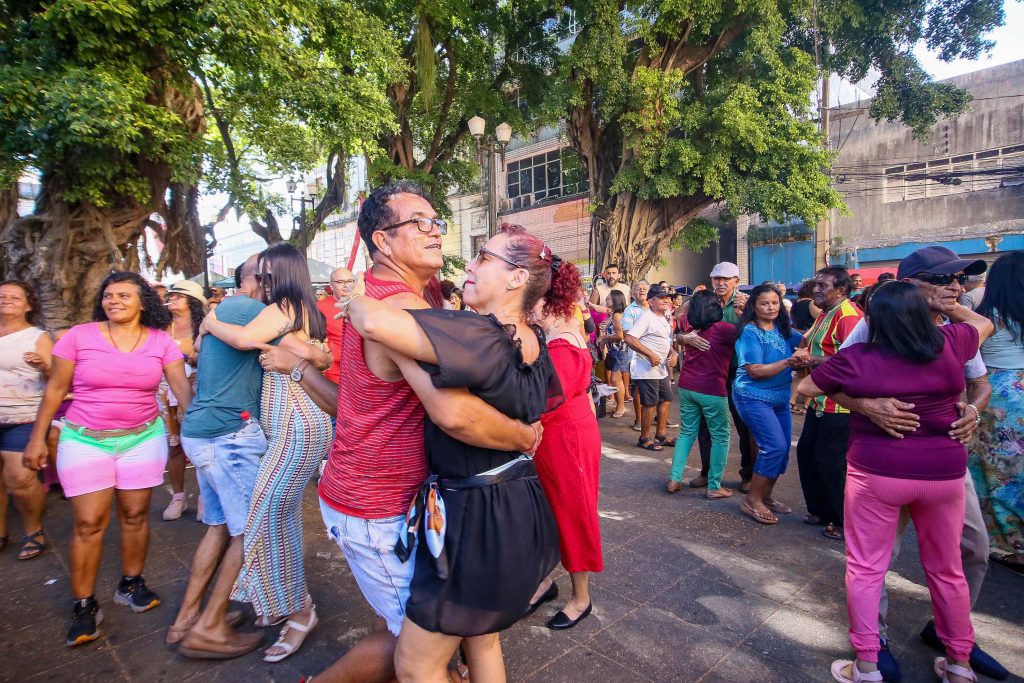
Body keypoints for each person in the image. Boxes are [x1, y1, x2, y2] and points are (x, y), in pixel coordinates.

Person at [258, 180, 538, 683]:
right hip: (380, 507)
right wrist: (524, 439)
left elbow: (356, 409)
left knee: (400, 634)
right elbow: (454, 415)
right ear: (383, 241)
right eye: (420, 223)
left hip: (373, 498)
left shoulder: (397, 299)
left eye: (437, 222)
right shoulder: (400, 310)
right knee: (423, 659)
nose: (435, 232)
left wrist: (301, 371)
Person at [339, 223, 562, 681]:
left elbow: (375, 323)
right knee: (483, 642)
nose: (471, 265)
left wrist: (356, 296)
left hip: (476, 519)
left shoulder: (477, 332)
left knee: (416, 666)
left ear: (517, 278)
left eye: (484, 257)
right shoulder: (533, 339)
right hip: (517, 506)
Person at [798, 282, 994, 683]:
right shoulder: (952, 342)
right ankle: (959, 664)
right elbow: (982, 322)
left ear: (872, 320)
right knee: (948, 570)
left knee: (866, 569)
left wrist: (864, 404)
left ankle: (867, 665)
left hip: (877, 473)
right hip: (944, 474)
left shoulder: (857, 356)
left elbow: (806, 388)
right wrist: (947, 306)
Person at [22, 271, 192, 647]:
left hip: (142, 440)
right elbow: (55, 389)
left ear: (142, 302)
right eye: (109, 295)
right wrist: (37, 438)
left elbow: (182, 391)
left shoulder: (160, 342)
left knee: (134, 515)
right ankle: (84, 604)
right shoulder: (78, 337)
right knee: (88, 523)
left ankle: (131, 584)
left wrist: (198, 434)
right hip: (85, 440)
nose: (114, 301)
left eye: (124, 295)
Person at [199, 243, 334, 662]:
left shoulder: (286, 304)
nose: (258, 278)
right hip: (290, 423)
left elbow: (241, 339)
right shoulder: (298, 308)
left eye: (264, 271)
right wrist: (311, 352)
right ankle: (283, 602)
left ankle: (298, 609)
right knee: (280, 516)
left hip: (298, 423)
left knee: (263, 515)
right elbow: (323, 357)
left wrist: (209, 321)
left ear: (283, 273)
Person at [166, 255, 269, 658]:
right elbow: (298, 348)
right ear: (256, 279)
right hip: (229, 434)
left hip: (205, 432)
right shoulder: (248, 308)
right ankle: (209, 628)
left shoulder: (224, 311)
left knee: (220, 527)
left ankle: (186, 620)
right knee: (249, 530)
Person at [528, 260, 603, 630]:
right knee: (542, 515)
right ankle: (543, 583)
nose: (526, 309)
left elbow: (546, 402)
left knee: (572, 515)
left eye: (532, 302)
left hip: (566, 437)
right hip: (552, 435)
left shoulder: (563, 342)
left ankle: (581, 598)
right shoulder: (551, 334)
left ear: (549, 301)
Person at [791, 266, 863, 541]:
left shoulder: (849, 316)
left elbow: (856, 360)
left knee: (832, 462)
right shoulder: (824, 313)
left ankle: (842, 519)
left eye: (822, 286)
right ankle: (820, 510)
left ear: (841, 290)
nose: (816, 290)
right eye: (815, 285)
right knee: (807, 453)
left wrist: (814, 361)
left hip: (841, 404)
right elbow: (813, 343)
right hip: (819, 399)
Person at [731, 284, 805, 524]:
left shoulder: (784, 331)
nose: (771, 307)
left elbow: (805, 340)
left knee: (782, 450)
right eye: (765, 303)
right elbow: (754, 371)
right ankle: (752, 500)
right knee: (773, 446)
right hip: (753, 396)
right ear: (754, 306)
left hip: (780, 399)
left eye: (775, 302)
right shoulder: (750, 332)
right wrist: (789, 362)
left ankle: (766, 495)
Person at [678, 262, 754, 491]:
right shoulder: (700, 301)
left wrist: (748, 312)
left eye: (726, 279)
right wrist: (684, 338)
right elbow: (679, 331)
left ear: (736, 282)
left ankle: (748, 475)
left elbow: (759, 331)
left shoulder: (746, 303)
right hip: (708, 373)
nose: (721, 283)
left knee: (744, 426)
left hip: (739, 373)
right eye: (717, 278)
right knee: (704, 428)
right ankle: (707, 472)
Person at [971, 250, 1024, 572]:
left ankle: (1013, 547)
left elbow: (966, 355)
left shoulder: (986, 316)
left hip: (997, 398)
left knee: (998, 475)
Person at [0, 280, 52, 560]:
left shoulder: (37, 337)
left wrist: (43, 365)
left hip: (24, 415)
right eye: (2, 296)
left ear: (28, 305)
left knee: (19, 477)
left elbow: (54, 378)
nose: (6, 300)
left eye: (14, 297)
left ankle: (34, 530)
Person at [667, 291, 735, 497]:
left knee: (687, 433)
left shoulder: (688, 325)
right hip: (712, 388)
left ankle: (674, 479)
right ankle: (714, 486)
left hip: (687, 386)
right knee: (721, 436)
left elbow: (681, 311)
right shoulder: (725, 329)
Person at [160, 280, 206, 521]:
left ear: (192, 302)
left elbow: (207, 356)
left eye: (179, 296)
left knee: (199, 444)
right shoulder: (160, 327)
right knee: (174, 445)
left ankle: (204, 497)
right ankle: (178, 496)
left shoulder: (203, 327)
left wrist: (190, 359)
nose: (173, 299)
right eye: (172, 295)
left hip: (195, 389)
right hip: (165, 394)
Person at [625, 284, 678, 451]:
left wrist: (673, 353)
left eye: (667, 298)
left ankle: (660, 435)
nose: (666, 300)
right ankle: (644, 437)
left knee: (667, 399)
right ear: (651, 301)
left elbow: (664, 340)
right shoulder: (646, 317)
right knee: (650, 403)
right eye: (661, 298)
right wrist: (650, 354)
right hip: (646, 368)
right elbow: (629, 338)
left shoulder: (663, 317)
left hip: (660, 368)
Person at [317, 266, 356, 383]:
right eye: (340, 282)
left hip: (362, 370)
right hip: (335, 372)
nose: (346, 285)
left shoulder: (363, 305)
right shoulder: (319, 307)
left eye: (350, 281)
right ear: (331, 285)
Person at [622, 280, 650, 430]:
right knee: (639, 387)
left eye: (645, 288)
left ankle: (657, 418)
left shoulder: (654, 307)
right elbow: (627, 334)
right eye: (638, 289)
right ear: (633, 293)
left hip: (656, 352)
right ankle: (639, 419)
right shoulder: (629, 310)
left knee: (658, 387)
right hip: (637, 353)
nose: (642, 291)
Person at [596, 289, 629, 418]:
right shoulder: (614, 314)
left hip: (619, 350)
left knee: (616, 379)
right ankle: (618, 405)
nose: (606, 300)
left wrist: (604, 338)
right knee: (615, 379)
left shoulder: (617, 315)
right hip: (614, 351)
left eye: (609, 298)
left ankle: (621, 407)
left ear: (615, 300)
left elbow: (620, 335)